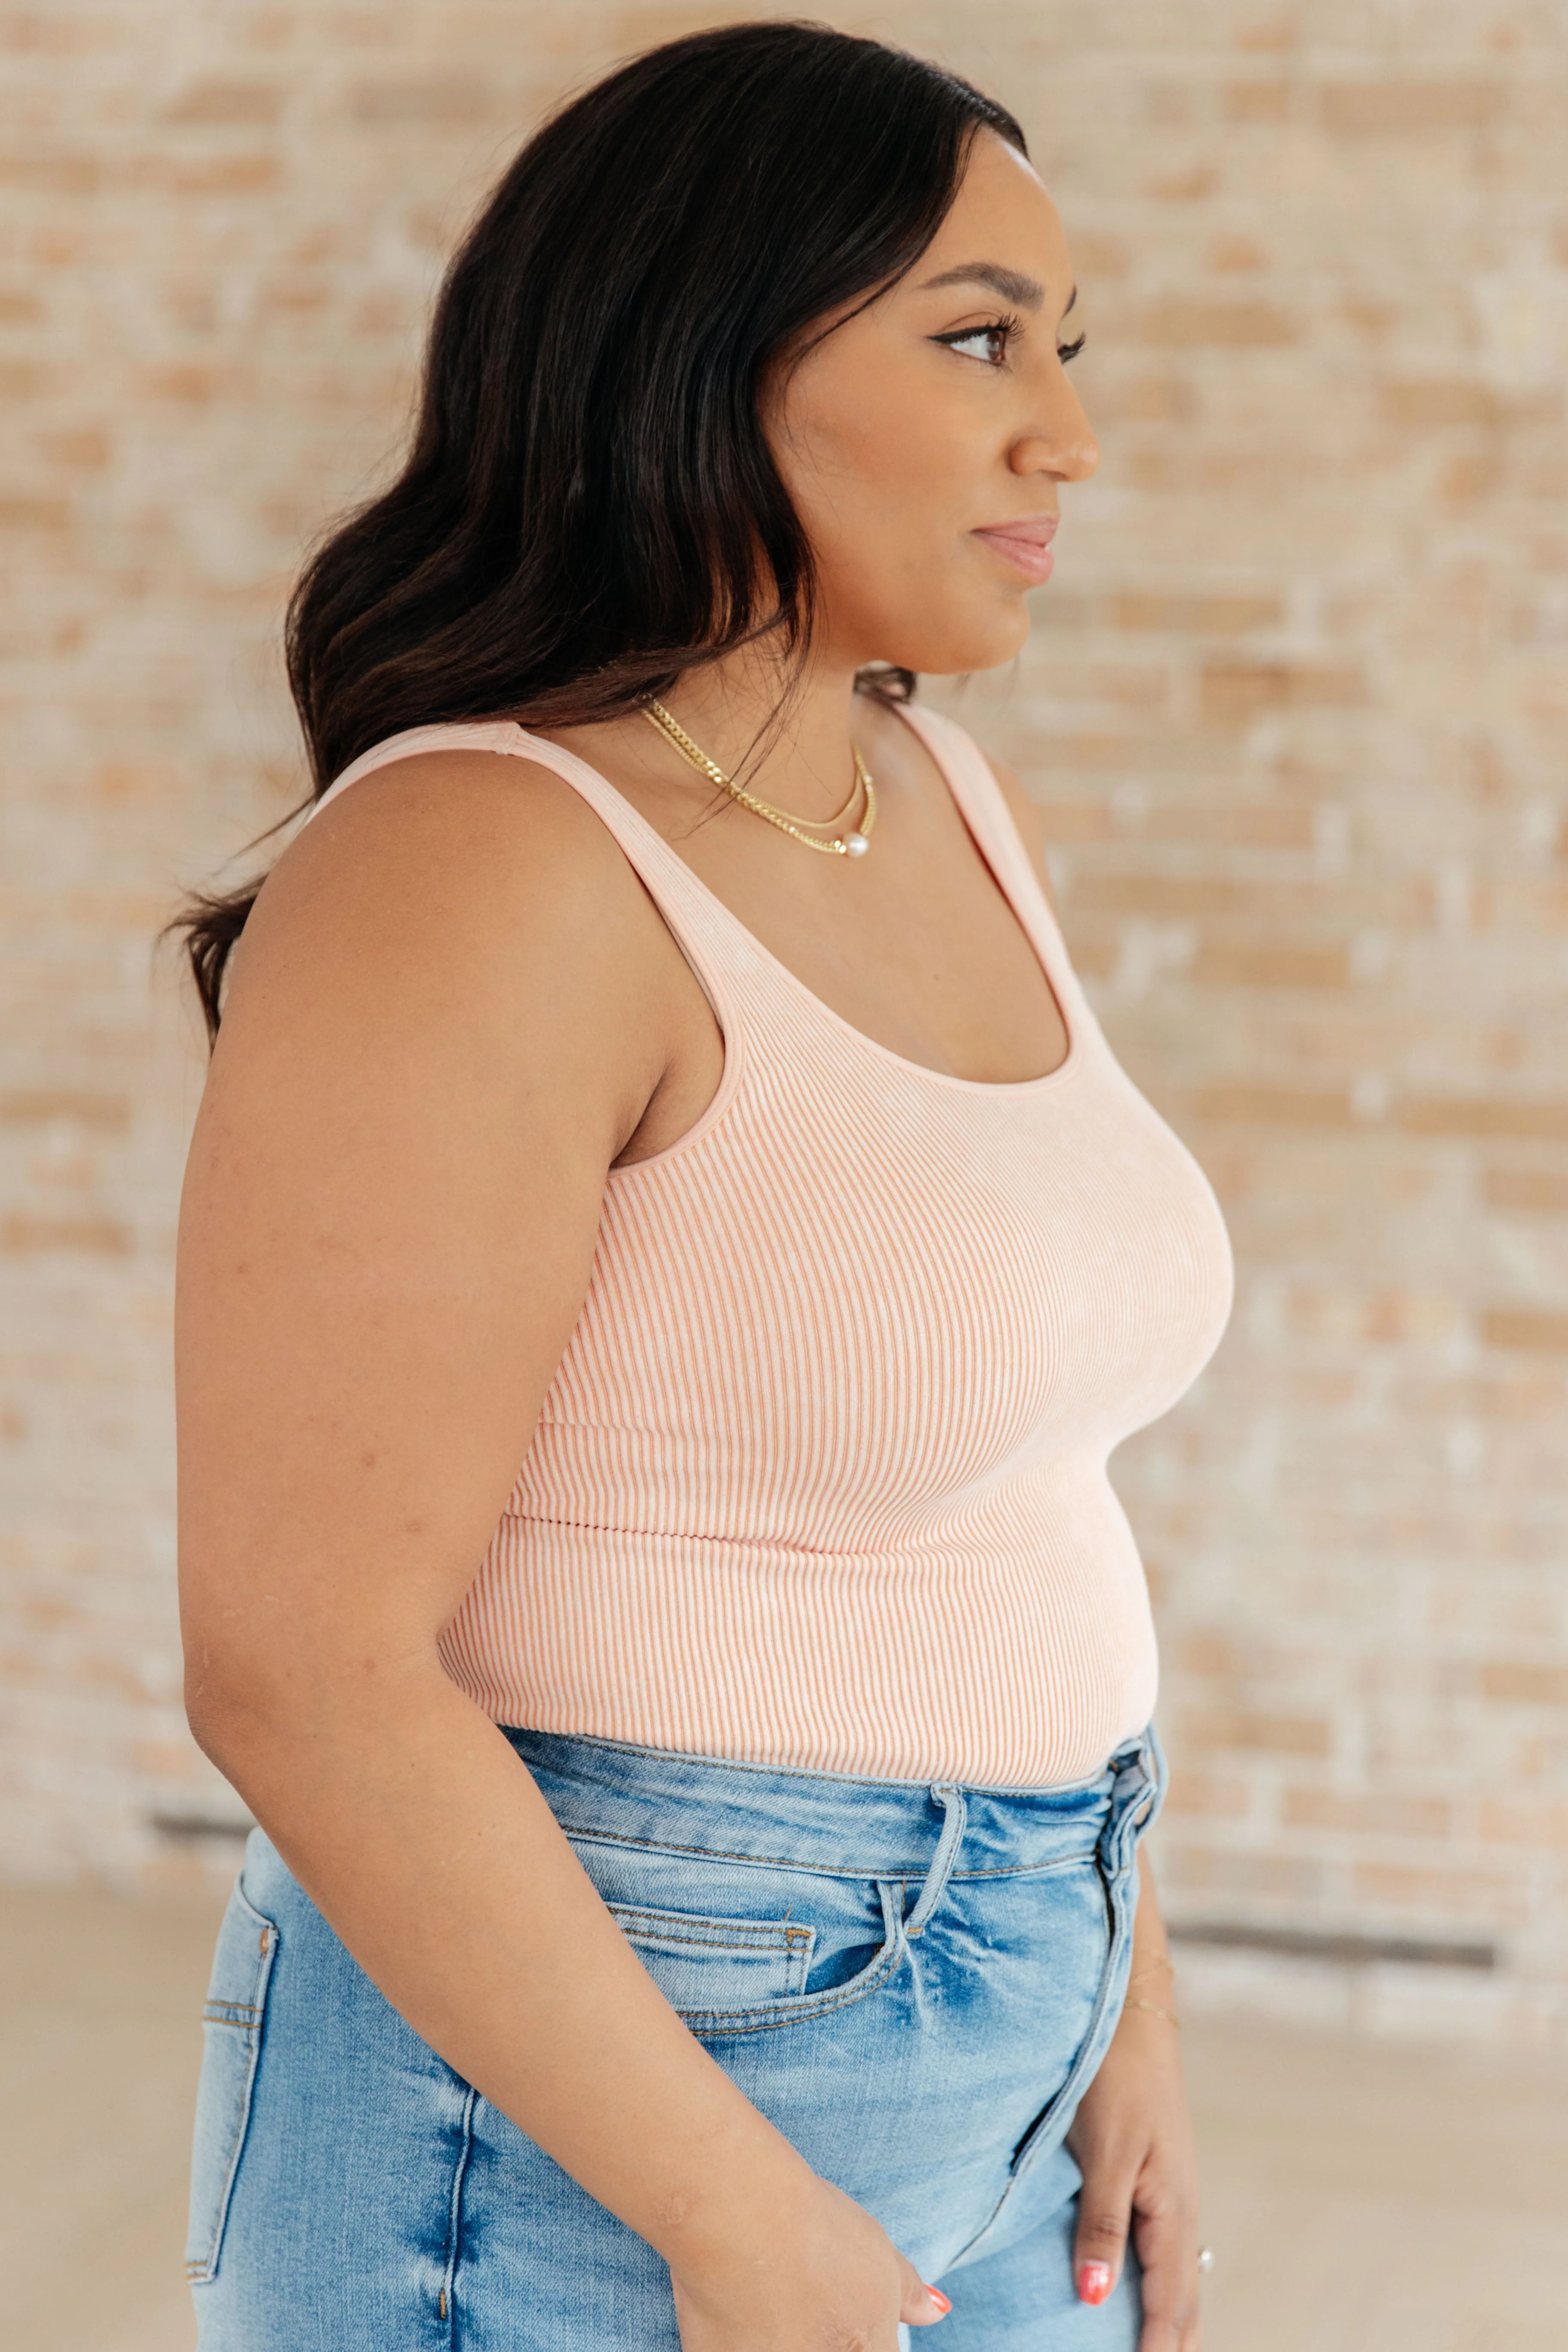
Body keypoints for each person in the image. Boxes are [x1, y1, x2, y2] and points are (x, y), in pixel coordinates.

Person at [172, 23, 1230, 2351]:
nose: (1067, 427)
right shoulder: (476, 863)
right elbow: (303, 1664)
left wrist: (1120, 1990)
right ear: (700, 357)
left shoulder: (937, 795)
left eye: (1069, 346)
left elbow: (1019, 1474)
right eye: (978, 340)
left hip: (1009, 2020)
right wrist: (728, 2218)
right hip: (604, 2114)